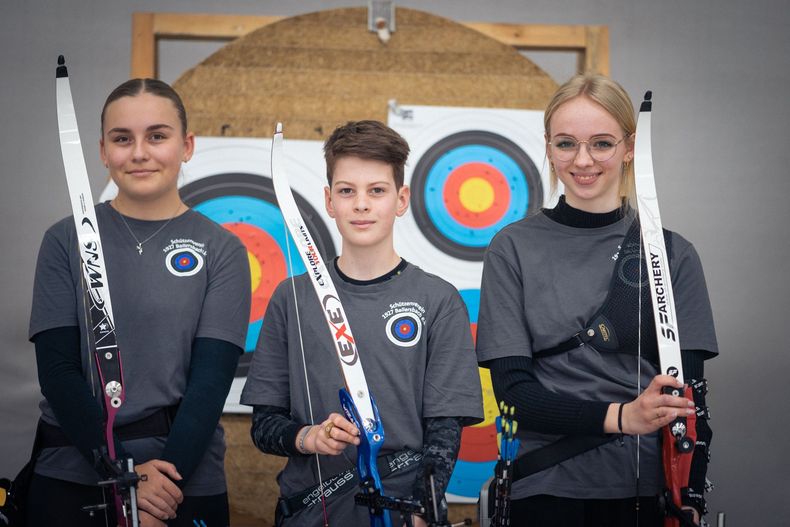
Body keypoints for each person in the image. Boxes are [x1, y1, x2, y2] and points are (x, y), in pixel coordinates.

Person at [475, 74, 718, 526]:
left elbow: (691, 404)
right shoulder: (512, 248)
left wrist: (692, 501)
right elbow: (513, 396)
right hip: (542, 490)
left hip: (645, 492)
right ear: (548, 147)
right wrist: (624, 416)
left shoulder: (672, 254)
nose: (582, 160)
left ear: (629, 147)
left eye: (602, 143)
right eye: (566, 143)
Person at [28, 78, 251, 526]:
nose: (140, 152)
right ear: (102, 151)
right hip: (77, 470)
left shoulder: (222, 249)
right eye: (122, 139)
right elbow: (57, 374)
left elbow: (210, 384)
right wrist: (125, 476)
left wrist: (160, 486)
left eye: (157, 136)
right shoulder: (63, 240)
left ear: (187, 145)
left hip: (181, 476)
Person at [241, 120, 484, 526]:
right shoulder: (290, 298)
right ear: (329, 200)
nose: (361, 204)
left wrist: (424, 509)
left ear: (401, 199)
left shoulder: (438, 300)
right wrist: (310, 437)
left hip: (402, 513)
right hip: (312, 512)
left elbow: (444, 430)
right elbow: (264, 426)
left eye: (377, 190)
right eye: (347, 191)